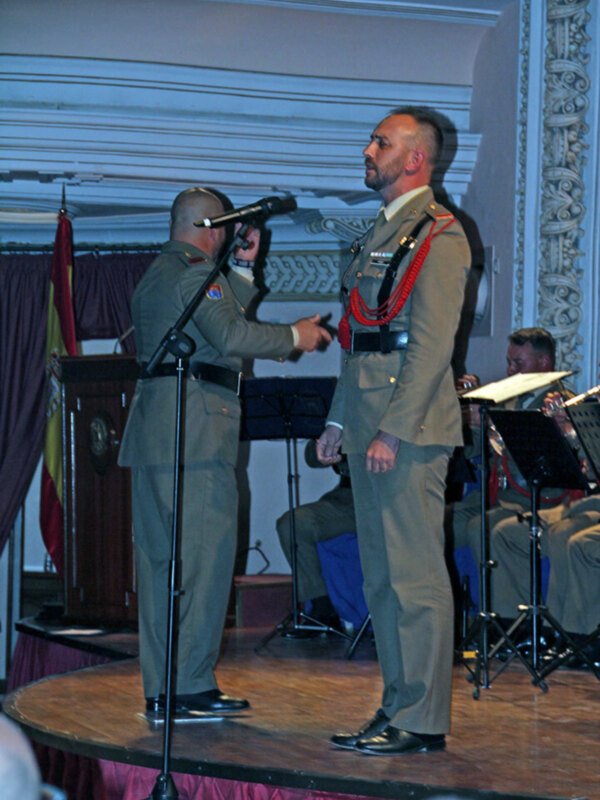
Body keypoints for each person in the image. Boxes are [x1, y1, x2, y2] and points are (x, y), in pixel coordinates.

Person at [118, 187, 331, 717]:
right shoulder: (194, 275)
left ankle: (164, 686)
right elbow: (232, 334)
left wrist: (239, 270)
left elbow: (210, 325)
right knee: (206, 565)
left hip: (156, 437)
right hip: (197, 435)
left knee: (163, 567)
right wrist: (295, 335)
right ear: (212, 227)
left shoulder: (156, 277)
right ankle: (188, 686)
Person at [317, 107, 470, 755]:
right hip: (370, 425)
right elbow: (361, 340)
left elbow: (430, 347)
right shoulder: (383, 232)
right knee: (382, 580)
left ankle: (424, 720)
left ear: (415, 159)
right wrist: (338, 420)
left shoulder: (440, 234)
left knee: (414, 579)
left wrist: (394, 431)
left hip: (407, 431)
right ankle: (395, 706)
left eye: (382, 141)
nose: (367, 148)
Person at [446, 327, 572, 618]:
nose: (509, 369)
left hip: (536, 501)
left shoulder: (563, 403)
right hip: (495, 498)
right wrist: (470, 419)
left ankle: (508, 620)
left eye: (518, 363)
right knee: (431, 524)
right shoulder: (502, 400)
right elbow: (470, 454)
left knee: (484, 529)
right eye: (509, 362)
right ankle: (449, 616)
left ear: (543, 364)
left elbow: (559, 471)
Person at [275, 442, 356, 634]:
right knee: (293, 524)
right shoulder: (341, 413)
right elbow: (312, 459)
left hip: (385, 497)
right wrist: (329, 443)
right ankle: (322, 611)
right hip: (346, 497)